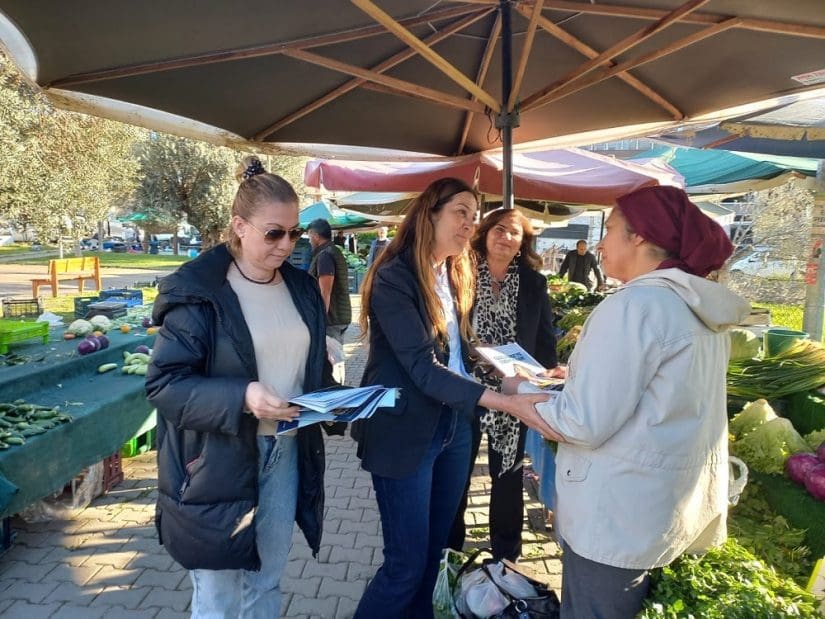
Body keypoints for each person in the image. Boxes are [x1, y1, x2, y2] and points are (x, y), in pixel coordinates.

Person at [502, 186, 750, 619]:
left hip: (617, 519)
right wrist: (573, 380)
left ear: (639, 237)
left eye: (611, 229)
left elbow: (581, 424)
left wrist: (516, 391)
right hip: (662, 509)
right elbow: (658, 400)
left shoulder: (635, 305)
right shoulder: (697, 306)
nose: (599, 242)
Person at [145, 156, 340, 618]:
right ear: (240, 226)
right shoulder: (197, 291)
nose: (287, 245)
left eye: (294, 233)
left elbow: (301, 363)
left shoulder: (301, 287)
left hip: (286, 451)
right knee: (218, 598)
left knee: (266, 582)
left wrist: (330, 392)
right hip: (215, 461)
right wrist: (244, 396)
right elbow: (165, 385)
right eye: (274, 233)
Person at [352, 178, 550, 619]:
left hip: (454, 429)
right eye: (461, 211)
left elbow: (460, 356)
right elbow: (423, 367)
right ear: (431, 214)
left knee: (438, 554)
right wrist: (502, 402)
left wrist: (512, 381)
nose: (470, 224)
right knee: (404, 566)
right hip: (404, 434)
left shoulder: (455, 272)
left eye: (474, 215)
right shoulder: (394, 277)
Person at [448, 208, 563, 562]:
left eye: (515, 233)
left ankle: (506, 561)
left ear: (523, 243)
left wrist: (548, 372)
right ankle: (449, 554)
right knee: (458, 474)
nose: (506, 237)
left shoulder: (533, 282)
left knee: (508, 477)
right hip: (466, 387)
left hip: (514, 389)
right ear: (484, 234)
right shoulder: (460, 273)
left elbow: (544, 338)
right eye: (499, 229)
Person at [307, 218, 352, 344]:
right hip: (338, 316)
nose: (309, 240)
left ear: (315, 236)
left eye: (310, 236)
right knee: (334, 358)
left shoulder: (325, 256)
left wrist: (320, 321)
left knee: (332, 359)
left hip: (331, 319)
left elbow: (325, 292)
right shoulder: (332, 251)